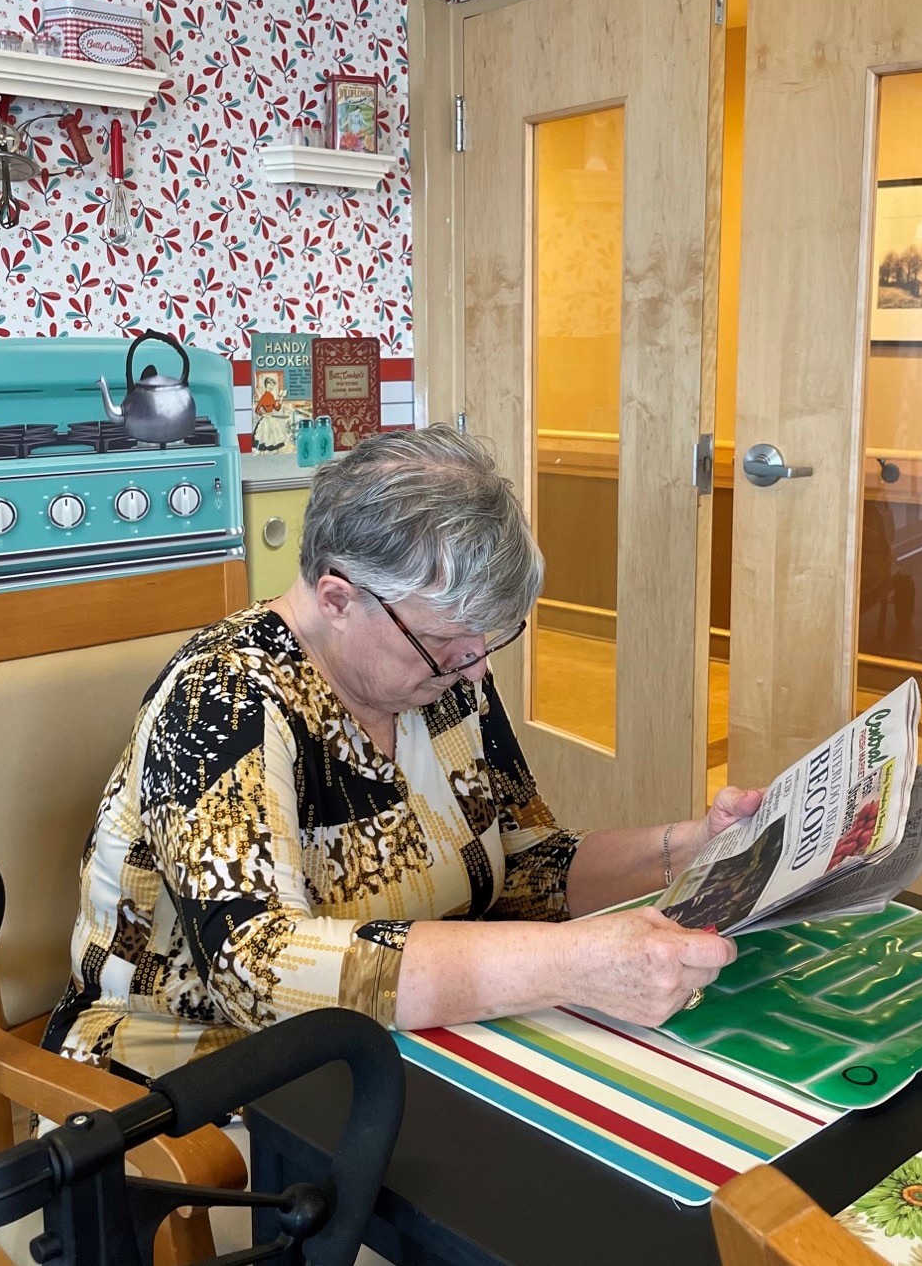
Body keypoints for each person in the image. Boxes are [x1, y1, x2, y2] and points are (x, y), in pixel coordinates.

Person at [44, 425, 760, 1082]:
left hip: (399, 1046)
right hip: (196, 1072)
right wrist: (571, 964)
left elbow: (527, 870)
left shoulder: (436, 679)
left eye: (487, 641)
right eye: (450, 642)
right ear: (336, 598)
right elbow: (258, 971)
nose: (477, 670)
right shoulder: (224, 698)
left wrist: (692, 847)